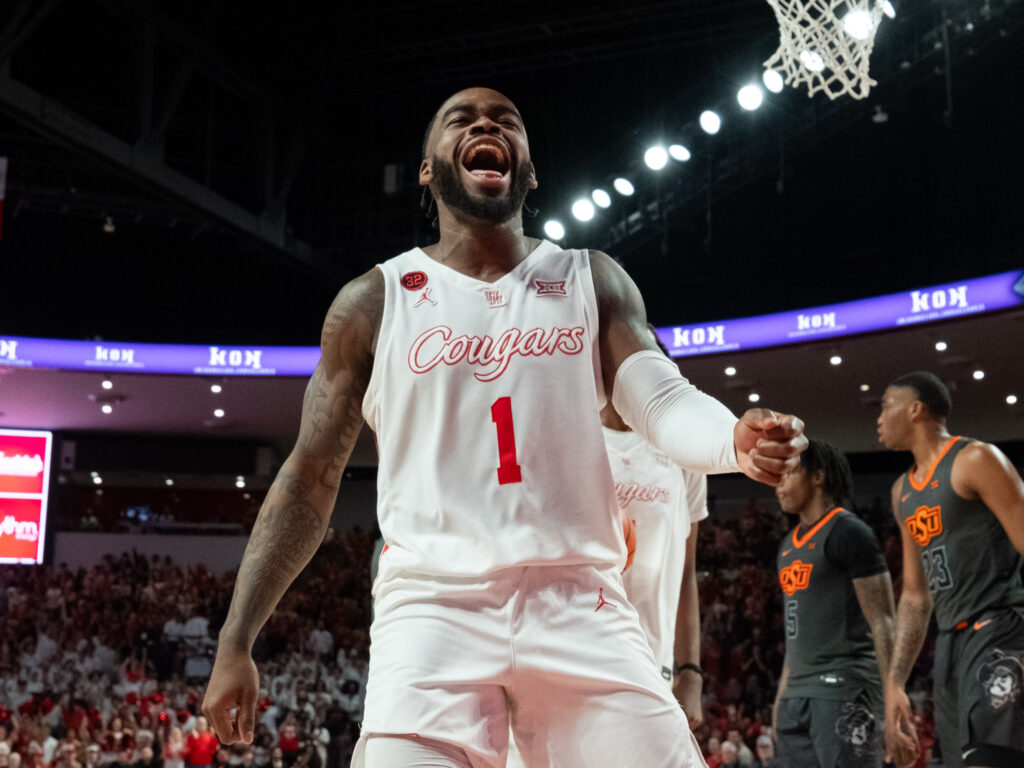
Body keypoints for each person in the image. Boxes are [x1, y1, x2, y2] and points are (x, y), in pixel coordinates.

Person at [202, 86, 807, 768]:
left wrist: (731, 439)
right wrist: (236, 638)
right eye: (460, 119)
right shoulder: (373, 302)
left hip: (579, 601)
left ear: (530, 170)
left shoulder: (591, 279)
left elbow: (660, 398)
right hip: (432, 609)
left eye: (505, 120)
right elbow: (308, 478)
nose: (485, 124)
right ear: (426, 169)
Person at [878, 371, 1024, 768]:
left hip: (999, 626)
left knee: (989, 758)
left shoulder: (975, 459)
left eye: (886, 406)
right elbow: (915, 596)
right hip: (949, 643)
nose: (879, 418)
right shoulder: (902, 491)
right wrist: (895, 682)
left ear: (915, 410)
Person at [772, 439, 898, 768]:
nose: (778, 484)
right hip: (796, 695)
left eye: (789, 473)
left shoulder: (849, 532)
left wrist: (892, 696)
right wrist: (782, 696)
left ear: (818, 476)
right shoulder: (787, 546)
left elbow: (883, 621)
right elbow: (795, 630)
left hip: (844, 688)